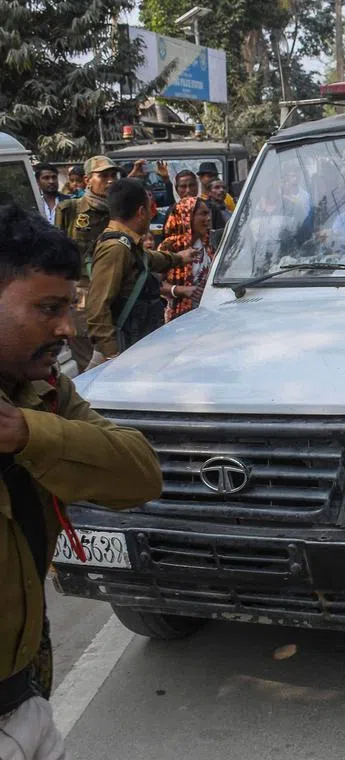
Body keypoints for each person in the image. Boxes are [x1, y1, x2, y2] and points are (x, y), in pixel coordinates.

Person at [0, 203, 163, 760]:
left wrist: (29, 435)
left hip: (25, 700)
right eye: (47, 309)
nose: (67, 328)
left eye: (69, 307)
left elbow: (139, 472)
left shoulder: (42, 394)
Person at [86, 179, 194, 365]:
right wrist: (113, 357)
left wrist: (179, 258)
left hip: (137, 345)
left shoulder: (127, 245)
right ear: (141, 212)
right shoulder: (115, 249)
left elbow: (148, 259)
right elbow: (97, 309)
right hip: (123, 352)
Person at [54, 155, 122, 371]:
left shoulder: (121, 211)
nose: (110, 181)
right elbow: (58, 256)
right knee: (86, 360)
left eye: (113, 175)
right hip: (83, 295)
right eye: (103, 176)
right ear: (87, 180)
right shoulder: (70, 210)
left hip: (116, 292)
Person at [159, 197, 215, 321]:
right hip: (179, 317)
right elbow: (154, 284)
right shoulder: (170, 246)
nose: (209, 218)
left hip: (206, 313)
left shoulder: (208, 245)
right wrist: (180, 290)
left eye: (208, 213)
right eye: (203, 214)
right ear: (187, 217)